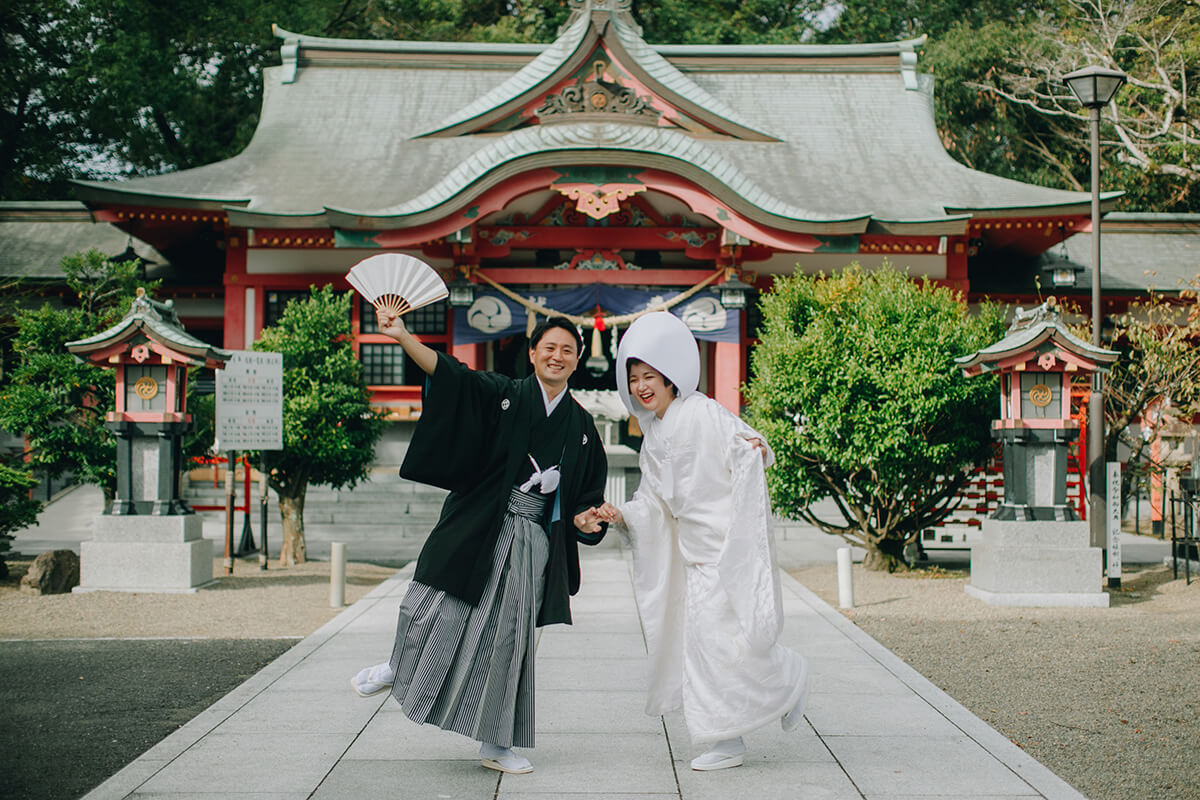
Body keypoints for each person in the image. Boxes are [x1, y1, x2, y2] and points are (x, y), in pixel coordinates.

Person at [350, 310, 609, 776]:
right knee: (434, 601)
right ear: (532, 354)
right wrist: (404, 336)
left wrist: (587, 520)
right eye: (548, 347)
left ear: (577, 361)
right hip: (481, 519)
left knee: (508, 642)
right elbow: (452, 374)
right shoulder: (504, 395)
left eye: (567, 350)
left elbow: (584, 500)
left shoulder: (583, 428)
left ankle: (497, 741)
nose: (557, 356)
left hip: (532, 539)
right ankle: (398, 665)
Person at [598, 311, 808, 771]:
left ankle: (749, 715)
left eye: (649, 375)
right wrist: (623, 514)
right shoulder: (652, 436)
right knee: (712, 646)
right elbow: (652, 501)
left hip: (725, 549)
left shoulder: (704, 411)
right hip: (695, 557)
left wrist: (754, 450)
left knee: (716, 644)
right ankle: (753, 708)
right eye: (634, 379)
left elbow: (749, 442)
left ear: (671, 376)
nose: (641, 386)